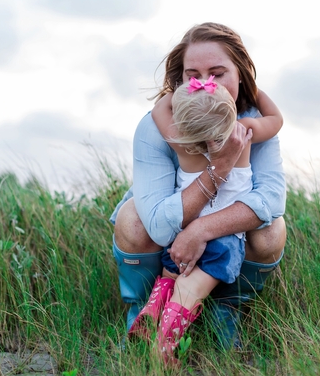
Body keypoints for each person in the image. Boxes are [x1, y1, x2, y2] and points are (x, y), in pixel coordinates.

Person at [110, 22, 287, 350]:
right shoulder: (243, 129)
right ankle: (146, 310)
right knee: (133, 218)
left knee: (271, 229)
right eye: (193, 76)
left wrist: (200, 230)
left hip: (199, 229)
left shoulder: (184, 136)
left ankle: (223, 306)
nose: (205, 84)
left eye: (218, 73)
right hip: (174, 226)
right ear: (180, 83)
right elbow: (161, 228)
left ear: (240, 74)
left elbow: (272, 201)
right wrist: (220, 167)